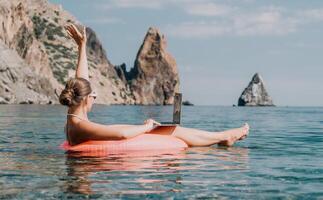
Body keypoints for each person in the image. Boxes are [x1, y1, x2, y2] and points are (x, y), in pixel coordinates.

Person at [60, 24, 249, 147]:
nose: (94, 97)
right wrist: (147, 126)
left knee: (171, 129)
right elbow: (122, 134)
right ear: (84, 99)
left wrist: (82, 46)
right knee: (174, 131)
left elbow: (81, 78)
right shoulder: (79, 126)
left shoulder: (75, 114)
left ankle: (223, 137)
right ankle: (224, 136)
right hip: (85, 177)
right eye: (93, 95)